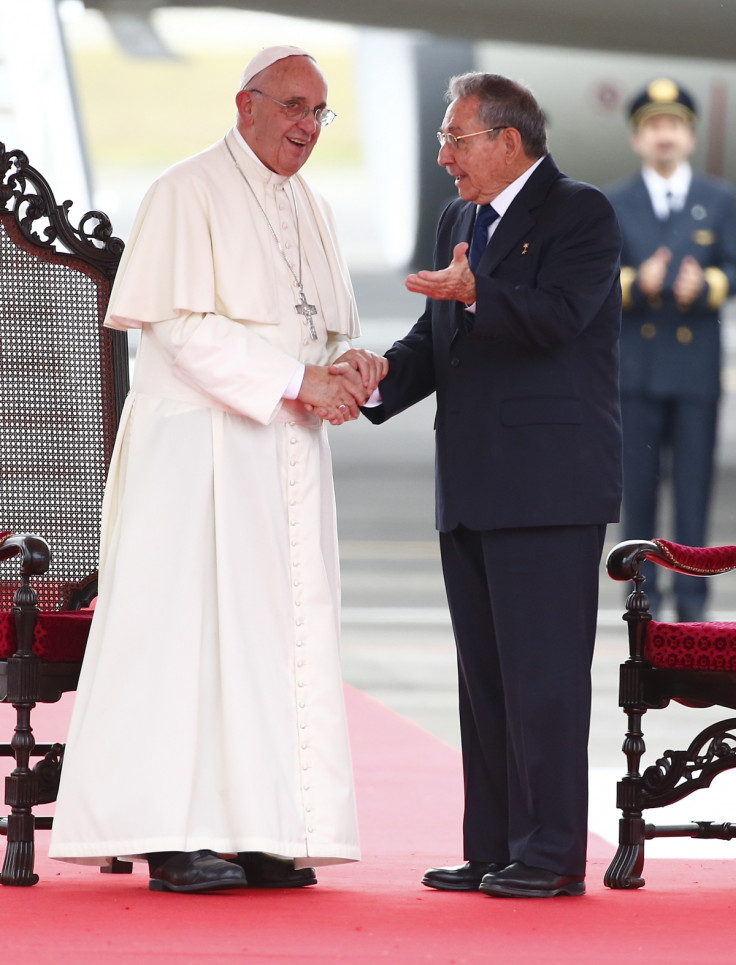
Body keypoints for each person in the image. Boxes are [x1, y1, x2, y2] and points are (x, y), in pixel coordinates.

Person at [48, 45, 387, 893]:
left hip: (282, 458)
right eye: (293, 108)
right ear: (246, 106)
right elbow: (181, 329)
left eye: (319, 112)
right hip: (196, 457)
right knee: (187, 639)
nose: (307, 127)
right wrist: (296, 378)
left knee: (276, 642)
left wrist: (351, 364)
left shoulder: (311, 204)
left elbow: (324, 327)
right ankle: (175, 831)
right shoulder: (183, 190)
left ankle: (267, 828)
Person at [360, 72, 622, 898]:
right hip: (472, 482)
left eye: (455, 140)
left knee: (543, 678)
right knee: (485, 681)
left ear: (508, 142)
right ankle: (493, 847)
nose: (443, 157)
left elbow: (556, 318)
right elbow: (435, 336)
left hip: (549, 487)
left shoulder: (580, 212)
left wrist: (481, 293)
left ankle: (549, 854)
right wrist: (371, 379)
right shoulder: (461, 218)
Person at [606, 78, 736, 622]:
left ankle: (692, 603)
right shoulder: (614, 202)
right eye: (654, 127)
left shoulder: (718, 199)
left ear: (690, 136)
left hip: (694, 373)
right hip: (636, 372)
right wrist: (637, 282)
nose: (665, 136)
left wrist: (705, 287)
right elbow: (596, 279)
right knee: (637, 495)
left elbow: (731, 266)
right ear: (638, 139)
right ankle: (643, 602)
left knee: (692, 493)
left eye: (674, 126)